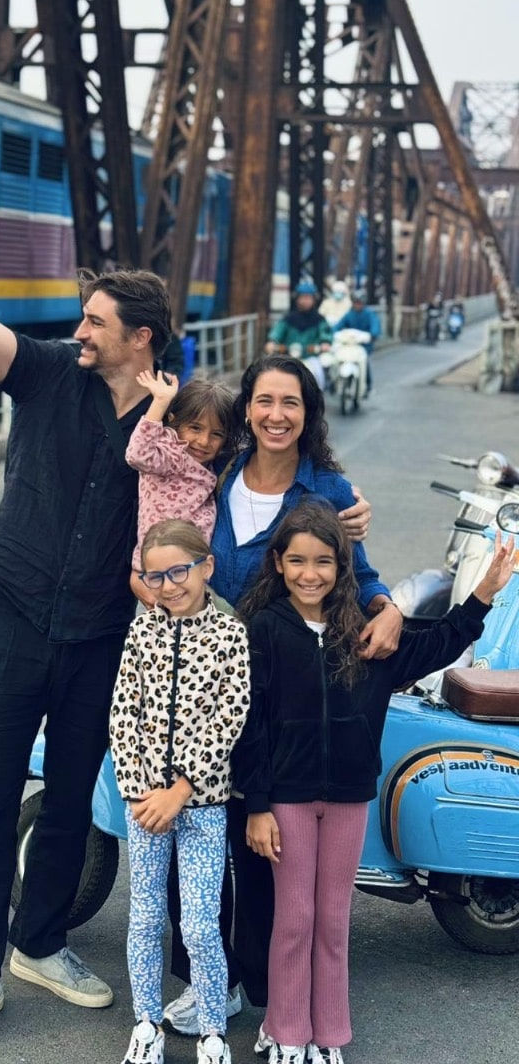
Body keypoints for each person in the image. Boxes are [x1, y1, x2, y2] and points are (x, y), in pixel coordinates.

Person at [0, 166, 173, 1052]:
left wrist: (336, 511)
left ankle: (41, 943)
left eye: (96, 322)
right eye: (82, 318)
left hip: (104, 635)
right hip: (13, 615)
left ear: (141, 338)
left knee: (71, 804)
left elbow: (244, 482)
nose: (80, 330)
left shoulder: (176, 416)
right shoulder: (50, 373)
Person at [162, 353, 397, 1035]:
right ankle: (207, 975)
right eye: (263, 401)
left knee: (261, 843)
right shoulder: (215, 471)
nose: (275, 415)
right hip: (203, 682)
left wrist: (387, 607)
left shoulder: (327, 488)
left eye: (290, 402)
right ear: (247, 410)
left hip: (279, 689)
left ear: (308, 412)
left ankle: (259, 981)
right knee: (192, 836)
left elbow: (359, 574)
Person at [234, 502, 516, 1064]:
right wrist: (257, 805)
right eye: (297, 561)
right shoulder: (262, 630)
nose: (310, 573)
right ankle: (285, 1030)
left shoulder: (369, 636)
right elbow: (250, 725)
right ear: (278, 563)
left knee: (332, 920)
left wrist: (484, 593)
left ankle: (328, 1035)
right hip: (286, 800)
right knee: (294, 920)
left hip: (347, 799)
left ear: (342, 567)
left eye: (323, 561)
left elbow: (439, 643)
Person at [110, 519, 250, 1064]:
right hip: (146, 805)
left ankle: (213, 1031)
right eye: (155, 576)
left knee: (199, 924)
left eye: (179, 572)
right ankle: (146, 1025)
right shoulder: (141, 632)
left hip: (204, 806)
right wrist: (140, 792)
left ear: (205, 567)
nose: (168, 586)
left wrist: (181, 789)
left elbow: (229, 718)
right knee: (145, 918)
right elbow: (123, 713)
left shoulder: (230, 634)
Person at [125, 371, 233, 607]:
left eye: (217, 434)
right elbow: (137, 454)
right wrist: (160, 402)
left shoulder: (211, 465)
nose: (204, 441)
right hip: (160, 576)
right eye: (195, 428)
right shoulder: (170, 453)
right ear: (174, 421)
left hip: (190, 576)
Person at [265, 283, 333, 390]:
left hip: (311, 357)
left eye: (308, 297)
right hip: (288, 357)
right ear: (297, 299)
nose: (305, 300)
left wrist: (325, 343)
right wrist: (272, 342)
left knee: (319, 378)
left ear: (314, 299)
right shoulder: (288, 319)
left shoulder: (320, 320)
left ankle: (318, 396)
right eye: (302, 297)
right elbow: (277, 332)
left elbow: (326, 334)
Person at [332, 292, 380, 394]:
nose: (357, 305)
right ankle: (334, 381)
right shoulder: (349, 314)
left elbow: (375, 326)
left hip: (364, 345)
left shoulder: (369, 314)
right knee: (338, 357)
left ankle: (367, 385)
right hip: (349, 344)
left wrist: (373, 334)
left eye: (359, 303)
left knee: (364, 362)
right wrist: (333, 332)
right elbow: (339, 325)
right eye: (355, 303)